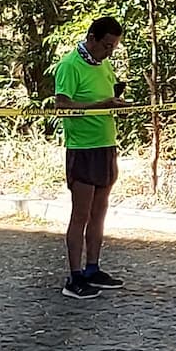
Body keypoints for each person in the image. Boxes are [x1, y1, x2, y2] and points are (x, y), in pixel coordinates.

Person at [54, 16, 129, 299]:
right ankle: (73, 278)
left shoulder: (105, 65)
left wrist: (113, 101)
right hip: (83, 149)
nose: (109, 52)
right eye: (107, 46)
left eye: (114, 47)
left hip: (106, 145)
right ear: (92, 39)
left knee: (100, 213)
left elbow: (105, 97)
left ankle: (92, 269)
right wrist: (100, 105)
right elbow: (62, 105)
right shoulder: (70, 65)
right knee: (81, 214)